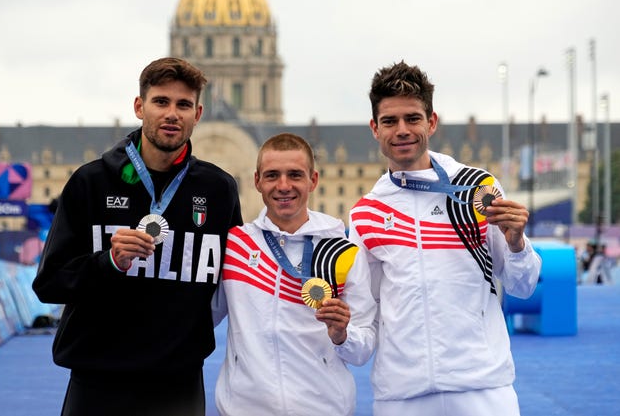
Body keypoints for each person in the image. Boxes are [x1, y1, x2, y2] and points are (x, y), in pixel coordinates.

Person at [32, 57, 243, 416]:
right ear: (139, 106)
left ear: (198, 113)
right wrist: (108, 262)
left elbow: (238, 283)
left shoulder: (219, 189)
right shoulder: (91, 182)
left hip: (179, 383)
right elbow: (49, 284)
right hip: (98, 380)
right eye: (161, 102)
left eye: (183, 105)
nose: (172, 114)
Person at [348, 61, 542, 416]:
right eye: (390, 121)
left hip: (482, 386)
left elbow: (523, 286)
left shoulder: (477, 189)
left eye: (413, 118)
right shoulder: (365, 213)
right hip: (401, 394)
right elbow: (365, 315)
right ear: (375, 129)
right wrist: (340, 333)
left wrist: (517, 245)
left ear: (431, 122)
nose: (402, 130)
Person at [211, 133, 377, 415]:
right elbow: (199, 319)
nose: (284, 186)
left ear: (313, 180)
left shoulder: (343, 252)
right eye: (273, 175)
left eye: (295, 175)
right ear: (257, 181)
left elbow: (363, 350)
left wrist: (342, 335)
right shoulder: (235, 245)